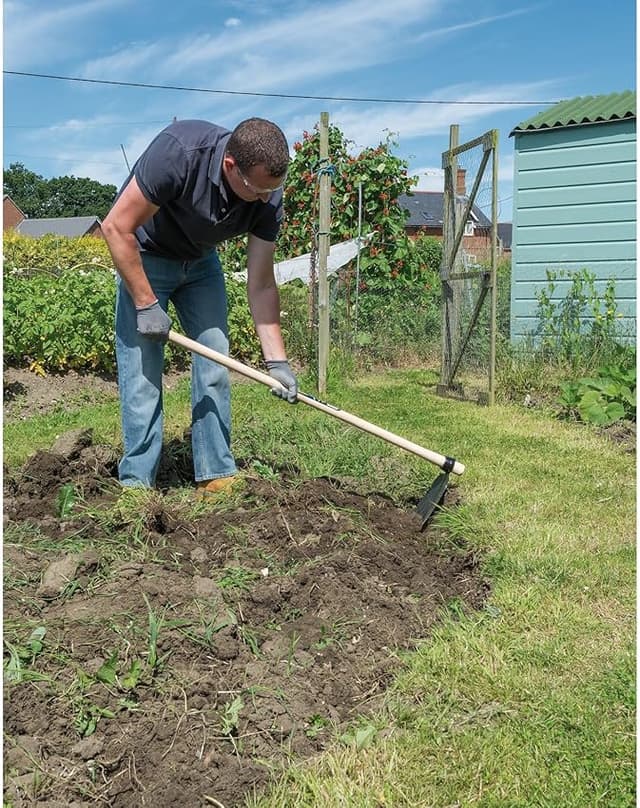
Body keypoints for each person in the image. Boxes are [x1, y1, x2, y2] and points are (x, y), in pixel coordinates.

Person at [101, 117, 298, 496]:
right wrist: (145, 304)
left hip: (201, 264)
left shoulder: (268, 192)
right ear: (230, 167)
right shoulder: (179, 152)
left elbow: (260, 283)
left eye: (272, 190)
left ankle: (214, 472)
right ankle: (138, 483)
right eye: (258, 190)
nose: (265, 199)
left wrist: (278, 362)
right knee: (143, 374)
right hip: (145, 256)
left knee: (215, 362)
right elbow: (115, 228)